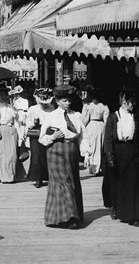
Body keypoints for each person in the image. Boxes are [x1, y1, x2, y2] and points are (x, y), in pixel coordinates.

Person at [39, 85, 90, 229]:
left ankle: (64, 216)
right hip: (55, 150)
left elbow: (82, 136)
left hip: (71, 150)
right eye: (65, 101)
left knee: (72, 181)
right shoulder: (50, 116)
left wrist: (86, 154)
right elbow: (42, 139)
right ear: (57, 100)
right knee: (63, 182)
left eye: (69, 101)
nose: (68, 103)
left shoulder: (76, 116)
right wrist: (52, 136)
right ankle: (69, 217)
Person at [102, 88, 139, 227]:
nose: (133, 105)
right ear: (124, 101)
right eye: (130, 102)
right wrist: (110, 157)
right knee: (117, 183)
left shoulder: (136, 118)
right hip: (118, 153)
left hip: (132, 152)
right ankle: (117, 208)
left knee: (133, 184)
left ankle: (134, 215)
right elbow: (108, 139)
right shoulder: (113, 117)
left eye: (133, 102)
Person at [0, 84, 22, 183]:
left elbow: (17, 123)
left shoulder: (12, 108)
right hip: (0, 131)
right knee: (2, 154)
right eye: (1, 95)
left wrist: (20, 136)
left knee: (12, 154)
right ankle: (4, 177)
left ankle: (11, 176)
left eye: (5, 95)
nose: (3, 97)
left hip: (11, 131)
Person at [25, 88, 55, 188]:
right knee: (37, 157)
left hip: (48, 133)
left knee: (48, 156)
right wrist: (34, 122)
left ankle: (49, 177)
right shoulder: (33, 109)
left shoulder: (51, 108)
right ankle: (38, 178)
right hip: (36, 134)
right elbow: (27, 123)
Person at [81, 87, 109, 176]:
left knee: (92, 147)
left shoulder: (88, 105)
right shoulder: (104, 106)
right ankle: (99, 167)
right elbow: (106, 119)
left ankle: (93, 168)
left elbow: (84, 119)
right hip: (101, 126)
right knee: (100, 147)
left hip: (92, 125)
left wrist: (83, 127)